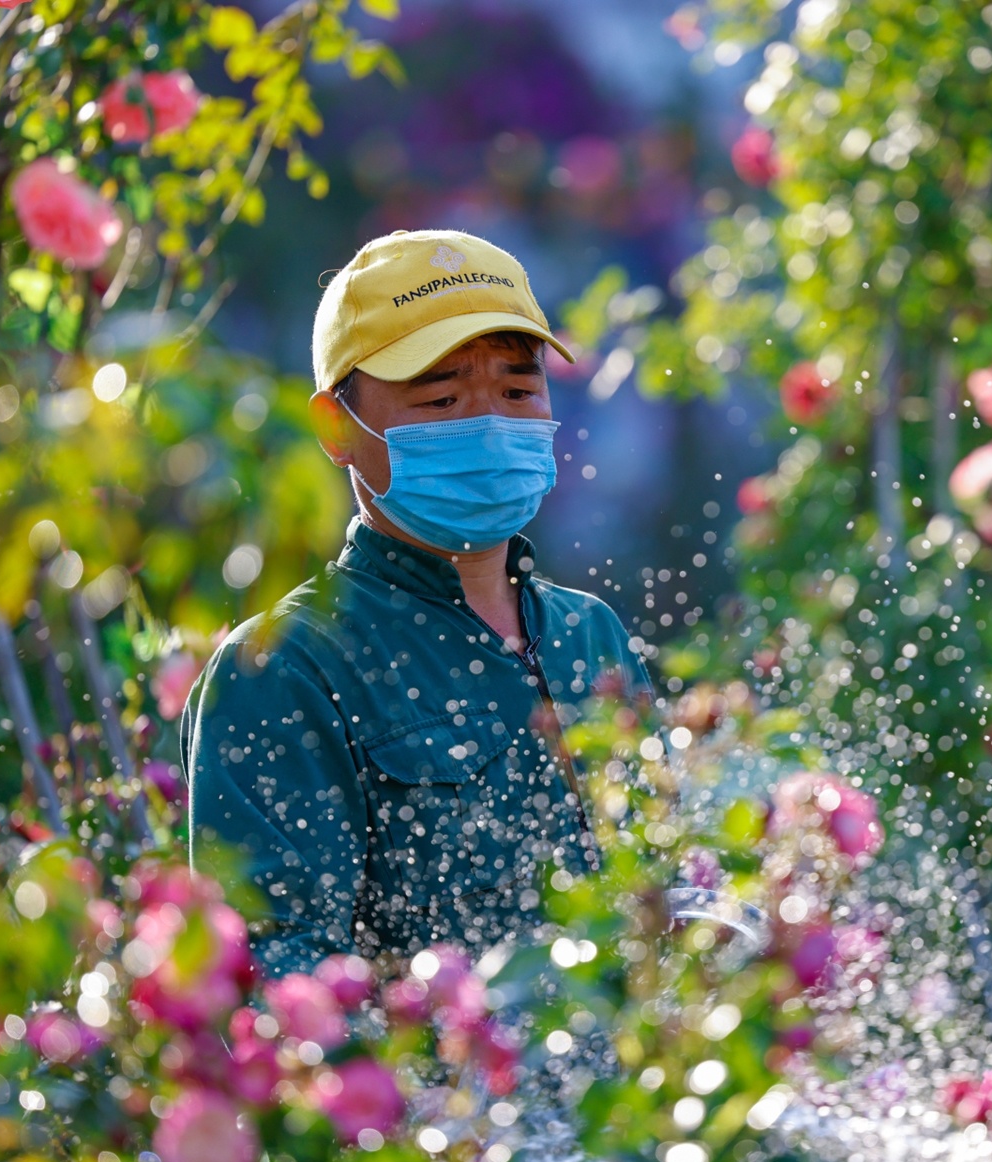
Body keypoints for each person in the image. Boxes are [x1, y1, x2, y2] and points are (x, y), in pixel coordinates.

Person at [181, 228, 649, 975]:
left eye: (518, 390)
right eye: (442, 396)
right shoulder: (286, 667)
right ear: (337, 426)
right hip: (444, 1091)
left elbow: (654, 888)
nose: (490, 423)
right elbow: (276, 969)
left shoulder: (590, 635)